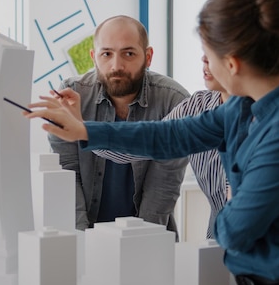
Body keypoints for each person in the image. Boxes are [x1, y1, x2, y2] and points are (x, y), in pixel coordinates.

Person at [28, 0, 279, 285]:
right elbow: (169, 136)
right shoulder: (243, 107)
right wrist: (84, 131)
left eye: (208, 57)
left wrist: (232, 197)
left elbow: (233, 231)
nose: (204, 66)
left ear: (232, 64)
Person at [49, 15, 190, 235]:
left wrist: (141, 245)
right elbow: (66, 173)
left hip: (149, 238)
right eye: (107, 54)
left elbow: (163, 187)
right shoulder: (71, 94)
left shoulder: (174, 100)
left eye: (129, 53)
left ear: (148, 56)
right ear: (94, 57)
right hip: (85, 235)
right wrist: (82, 243)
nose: (117, 66)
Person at [93, 55, 229, 239]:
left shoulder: (270, 119)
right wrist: (82, 130)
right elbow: (152, 139)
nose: (204, 58)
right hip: (220, 246)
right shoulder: (199, 105)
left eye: (215, 49)